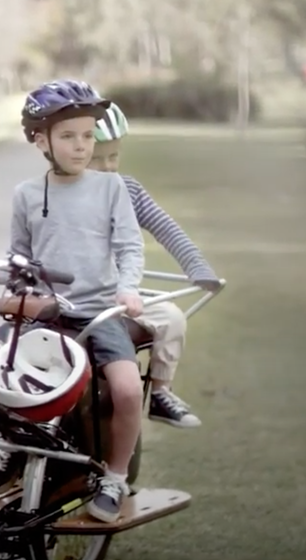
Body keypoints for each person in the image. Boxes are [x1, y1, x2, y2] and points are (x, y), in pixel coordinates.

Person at [0, 79, 144, 523]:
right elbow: (20, 258)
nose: (82, 146)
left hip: (99, 311)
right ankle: (19, 443)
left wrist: (129, 287)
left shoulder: (110, 189)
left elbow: (129, 247)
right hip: (43, 312)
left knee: (126, 389)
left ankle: (115, 477)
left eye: (88, 135)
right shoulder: (28, 194)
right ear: (40, 139)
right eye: (68, 136)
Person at [89, 101, 221, 428]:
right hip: (69, 296)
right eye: (96, 158)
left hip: (119, 294)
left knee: (172, 318)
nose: (107, 167)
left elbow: (167, 228)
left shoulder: (128, 189)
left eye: (113, 156)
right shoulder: (58, 194)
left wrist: (198, 267)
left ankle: (161, 391)